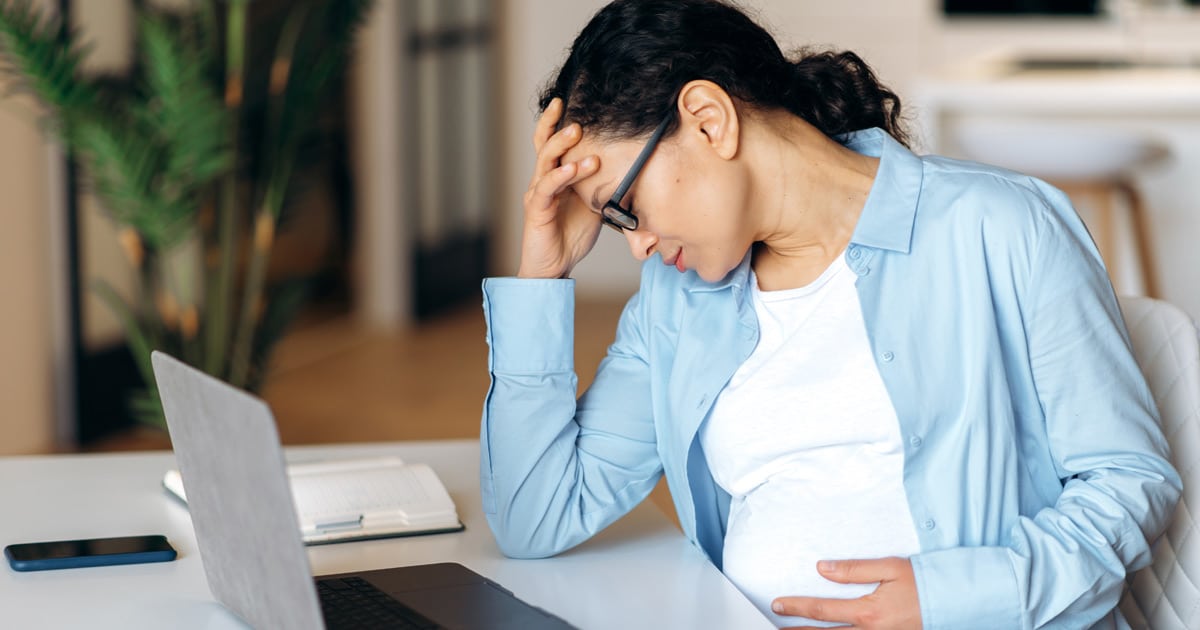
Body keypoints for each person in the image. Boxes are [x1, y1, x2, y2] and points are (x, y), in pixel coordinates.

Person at [479, 1, 1181, 627]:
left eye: (626, 208)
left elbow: (1129, 480)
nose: (637, 246)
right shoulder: (677, 302)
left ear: (708, 119)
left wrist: (950, 598)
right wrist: (543, 275)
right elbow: (533, 516)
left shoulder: (1000, 227)